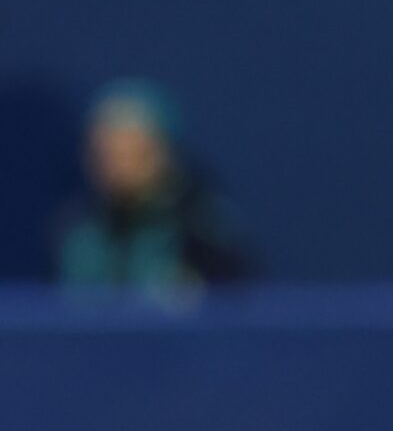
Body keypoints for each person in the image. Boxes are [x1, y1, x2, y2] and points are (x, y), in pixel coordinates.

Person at [54, 80, 252, 294]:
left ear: (165, 155)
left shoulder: (204, 229)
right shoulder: (73, 230)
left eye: (133, 156)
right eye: (105, 157)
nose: (118, 170)